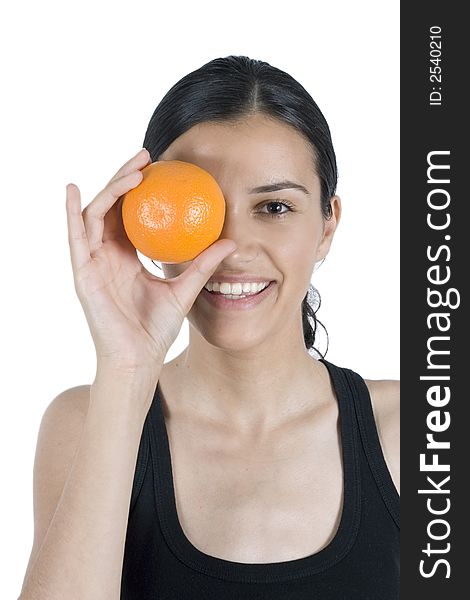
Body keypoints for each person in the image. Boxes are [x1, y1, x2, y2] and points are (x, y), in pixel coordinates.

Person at [18, 55, 399, 599]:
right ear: (140, 217)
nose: (231, 250)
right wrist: (126, 368)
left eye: (273, 206)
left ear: (327, 224)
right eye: (199, 207)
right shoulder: (84, 422)